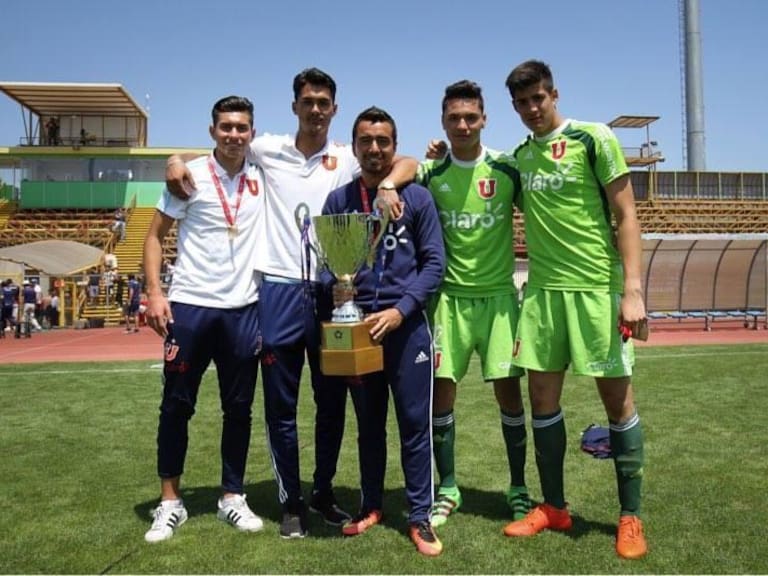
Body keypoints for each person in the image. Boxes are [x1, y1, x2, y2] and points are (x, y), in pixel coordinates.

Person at [165, 67, 418, 539]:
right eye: (308, 101)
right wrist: (177, 161)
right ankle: (291, 501)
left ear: (334, 110)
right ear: (295, 106)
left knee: (330, 404)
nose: (316, 109)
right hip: (279, 291)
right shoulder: (268, 149)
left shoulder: (345, 157)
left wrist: (387, 186)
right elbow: (223, 149)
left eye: (324, 103)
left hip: (331, 293)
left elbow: (407, 163)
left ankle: (322, 491)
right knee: (281, 407)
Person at [502, 60, 648, 560]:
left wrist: (632, 290)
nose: (530, 110)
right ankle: (554, 506)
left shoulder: (594, 139)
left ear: (554, 94)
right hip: (542, 296)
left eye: (537, 99)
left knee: (617, 403)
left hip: (595, 291)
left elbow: (626, 214)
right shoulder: (520, 157)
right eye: (521, 103)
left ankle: (630, 517)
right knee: (542, 403)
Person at [142, 95, 265, 543]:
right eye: (227, 127)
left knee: (239, 410)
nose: (235, 134)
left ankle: (232, 496)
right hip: (191, 307)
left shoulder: (262, 171)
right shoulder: (189, 175)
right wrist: (155, 293)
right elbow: (154, 238)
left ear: (252, 132)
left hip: (244, 309)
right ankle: (170, 501)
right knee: (176, 405)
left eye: (242, 127)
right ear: (212, 130)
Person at [322, 107, 445, 556]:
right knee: (369, 425)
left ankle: (420, 516)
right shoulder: (339, 203)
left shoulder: (417, 198)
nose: (375, 149)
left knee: (415, 424)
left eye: (383, 142)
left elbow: (434, 264)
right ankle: (371, 505)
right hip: (360, 333)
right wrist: (334, 289)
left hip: (406, 328)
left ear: (394, 146)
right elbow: (328, 266)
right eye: (366, 141)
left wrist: (400, 310)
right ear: (355, 147)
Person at [417, 80, 530, 527]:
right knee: (441, 398)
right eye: (453, 119)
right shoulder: (432, 173)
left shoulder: (506, 169)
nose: (462, 125)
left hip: (500, 299)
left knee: (510, 397)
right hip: (449, 302)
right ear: (443, 123)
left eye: (470, 117)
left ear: (484, 119)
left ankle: (518, 486)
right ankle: (447, 487)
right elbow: (403, 169)